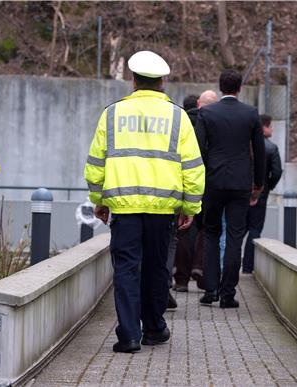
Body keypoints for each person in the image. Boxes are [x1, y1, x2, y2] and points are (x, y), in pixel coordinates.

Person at [84, 50, 205, 353]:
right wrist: (190, 206)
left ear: (133, 80)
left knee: (126, 268)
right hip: (163, 208)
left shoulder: (111, 114)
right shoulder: (178, 116)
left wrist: (99, 200)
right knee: (156, 267)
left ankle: (128, 335)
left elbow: (96, 163)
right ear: (163, 81)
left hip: (124, 207)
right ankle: (153, 328)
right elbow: (192, 167)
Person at [195, 69, 265, 308]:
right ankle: (228, 293)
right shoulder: (251, 114)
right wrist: (259, 183)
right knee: (235, 236)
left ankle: (211, 289)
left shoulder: (207, 113)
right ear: (240, 88)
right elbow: (259, 150)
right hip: (241, 183)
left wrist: (201, 177)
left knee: (211, 233)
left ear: (220, 87)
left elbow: (199, 149)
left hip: (213, 181)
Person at [174, 90, 218, 292]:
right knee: (205, 228)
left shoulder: (180, 121)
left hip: (181, 181)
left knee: (182, 230)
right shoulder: (214, 122)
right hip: (207, 182)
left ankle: (181, 280)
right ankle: (200, 269)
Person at [242, 114, 282, 273]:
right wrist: (267, 186)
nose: (272, 129)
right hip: (260, 194)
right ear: (264, 127)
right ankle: (247, 267)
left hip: (242, 191)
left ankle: (229, 264)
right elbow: (277, 172)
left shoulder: (245, 144)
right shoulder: (271, 148)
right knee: (255, 229)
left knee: (238, 230)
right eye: (270, 126)